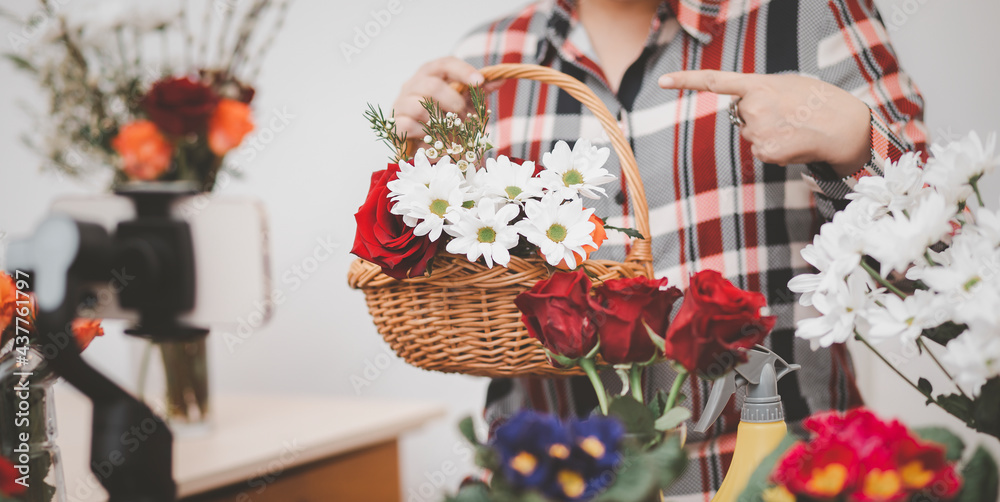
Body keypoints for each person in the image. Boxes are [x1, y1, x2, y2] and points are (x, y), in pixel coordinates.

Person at [392, 0, 925, 497]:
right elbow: (459, 296)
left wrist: (857, 143)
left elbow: (933, 258)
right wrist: (418, 177)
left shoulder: (804, 17)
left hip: (792, 480)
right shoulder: (484, 64)